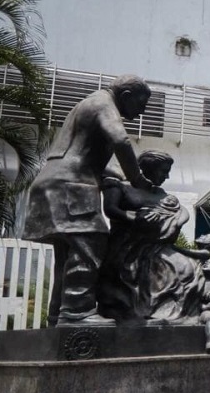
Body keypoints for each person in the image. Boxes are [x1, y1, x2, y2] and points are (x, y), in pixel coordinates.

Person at [22, 75, 152, 326]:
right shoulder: (104, 103)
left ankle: (58, 315)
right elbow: (121, 140)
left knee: (68, 254)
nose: (140, 114)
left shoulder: (86, 105)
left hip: (52, 181)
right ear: (125, 96)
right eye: (140, 106)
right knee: (91, 241)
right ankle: (77, 311)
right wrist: (137, 179)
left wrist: (122, 176)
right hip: (72, 185)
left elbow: (87, 157)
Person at [99, 150, 210, 324]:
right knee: (136, 270)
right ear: (147, 168)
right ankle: (141, 314)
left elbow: (183, 212)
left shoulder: (161, 194)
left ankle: (177, 317)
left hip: (157, 246)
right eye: (163, 171)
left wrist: (171, 221)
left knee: (190, 268)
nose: (166, 176)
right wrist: (136, 218)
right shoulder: (120, 186)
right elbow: (110, 209)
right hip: (127, 247)